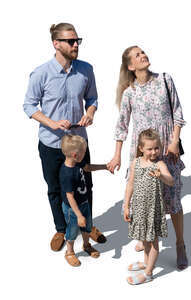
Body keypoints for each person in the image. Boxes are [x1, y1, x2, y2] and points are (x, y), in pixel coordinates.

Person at [23, 23, 106, 252]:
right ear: (56, 44)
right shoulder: (41, 73)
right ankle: (61, 229)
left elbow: (93, 99)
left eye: (78, 40)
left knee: (86, 185)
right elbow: (29, 106)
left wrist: (90, 112)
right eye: (71, 41)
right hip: (51, 143)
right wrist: (52, 123)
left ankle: (87, 227)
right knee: (55, 189)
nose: (76, 44)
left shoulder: (86, 70)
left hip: (79, 142)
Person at [108, 46, 188, 269]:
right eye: (137, 55)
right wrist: (117, 156)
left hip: (166, 149)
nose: (143, 55)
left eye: (143, 52)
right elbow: (122, 125)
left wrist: (174, 141)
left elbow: (178, 113)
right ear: (131, 66)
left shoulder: (164, 80)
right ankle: (147, 239)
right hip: (142, 152)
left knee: (172, 200)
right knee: (144, 199)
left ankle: (180, 244)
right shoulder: (129, 93)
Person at [124, 129, 174, 284]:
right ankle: (146, 263)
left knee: (153, 241)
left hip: (153, 210)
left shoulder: (159, 164)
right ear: (141, 148)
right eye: (150, 149)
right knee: (144, 238)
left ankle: (148, 273)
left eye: (156, 148)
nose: (154, 152)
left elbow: (170, 181)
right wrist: (126, 205)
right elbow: (130, 184)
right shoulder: (136, 162)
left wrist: (162, 175)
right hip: (139, 208)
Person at [60, 135, 108, 266]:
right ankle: (69, 252)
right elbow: (69, 196)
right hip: (73, 209)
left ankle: (86, 245)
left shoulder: (77, 163)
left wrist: (105, 166)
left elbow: (87, 167)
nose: (85, 154)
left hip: (84, 203)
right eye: (84, 152)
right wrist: (78, 215)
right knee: (72, 230)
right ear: (75, 155)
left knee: (87, 226)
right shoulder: (67, 174)